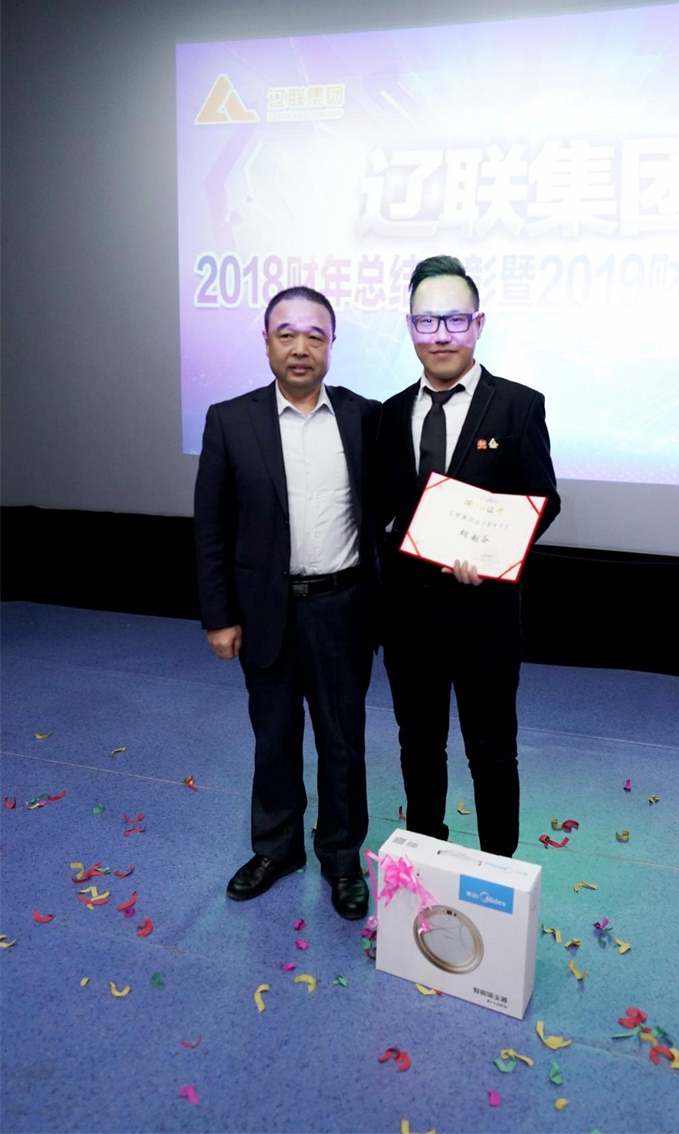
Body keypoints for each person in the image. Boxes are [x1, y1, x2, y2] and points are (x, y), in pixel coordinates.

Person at [194, 286, 379, 920]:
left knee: (342, 741)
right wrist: (219, 616)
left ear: (332, 344)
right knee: (273, 738)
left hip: (342, 608)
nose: (300, 347)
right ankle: (277, 849)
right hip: (265, 610)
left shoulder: (364, 417)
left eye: (314, 335)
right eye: (286, 334)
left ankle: (341, 858)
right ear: (267, 341)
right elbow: (211, 527)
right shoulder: (230, 419)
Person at [377, 255, 560, 857]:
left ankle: (497, 871)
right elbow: (382, 507)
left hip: (486, 621)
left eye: (455, 320)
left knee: (491, 751)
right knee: (418, 745)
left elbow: (544, 499)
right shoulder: (389, 413)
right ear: (410, 327)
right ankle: (424, 859)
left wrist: (491, 551)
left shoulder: (519, 406)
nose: (441, 335)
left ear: (478, 324)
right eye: (426, 321)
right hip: (409, 621)